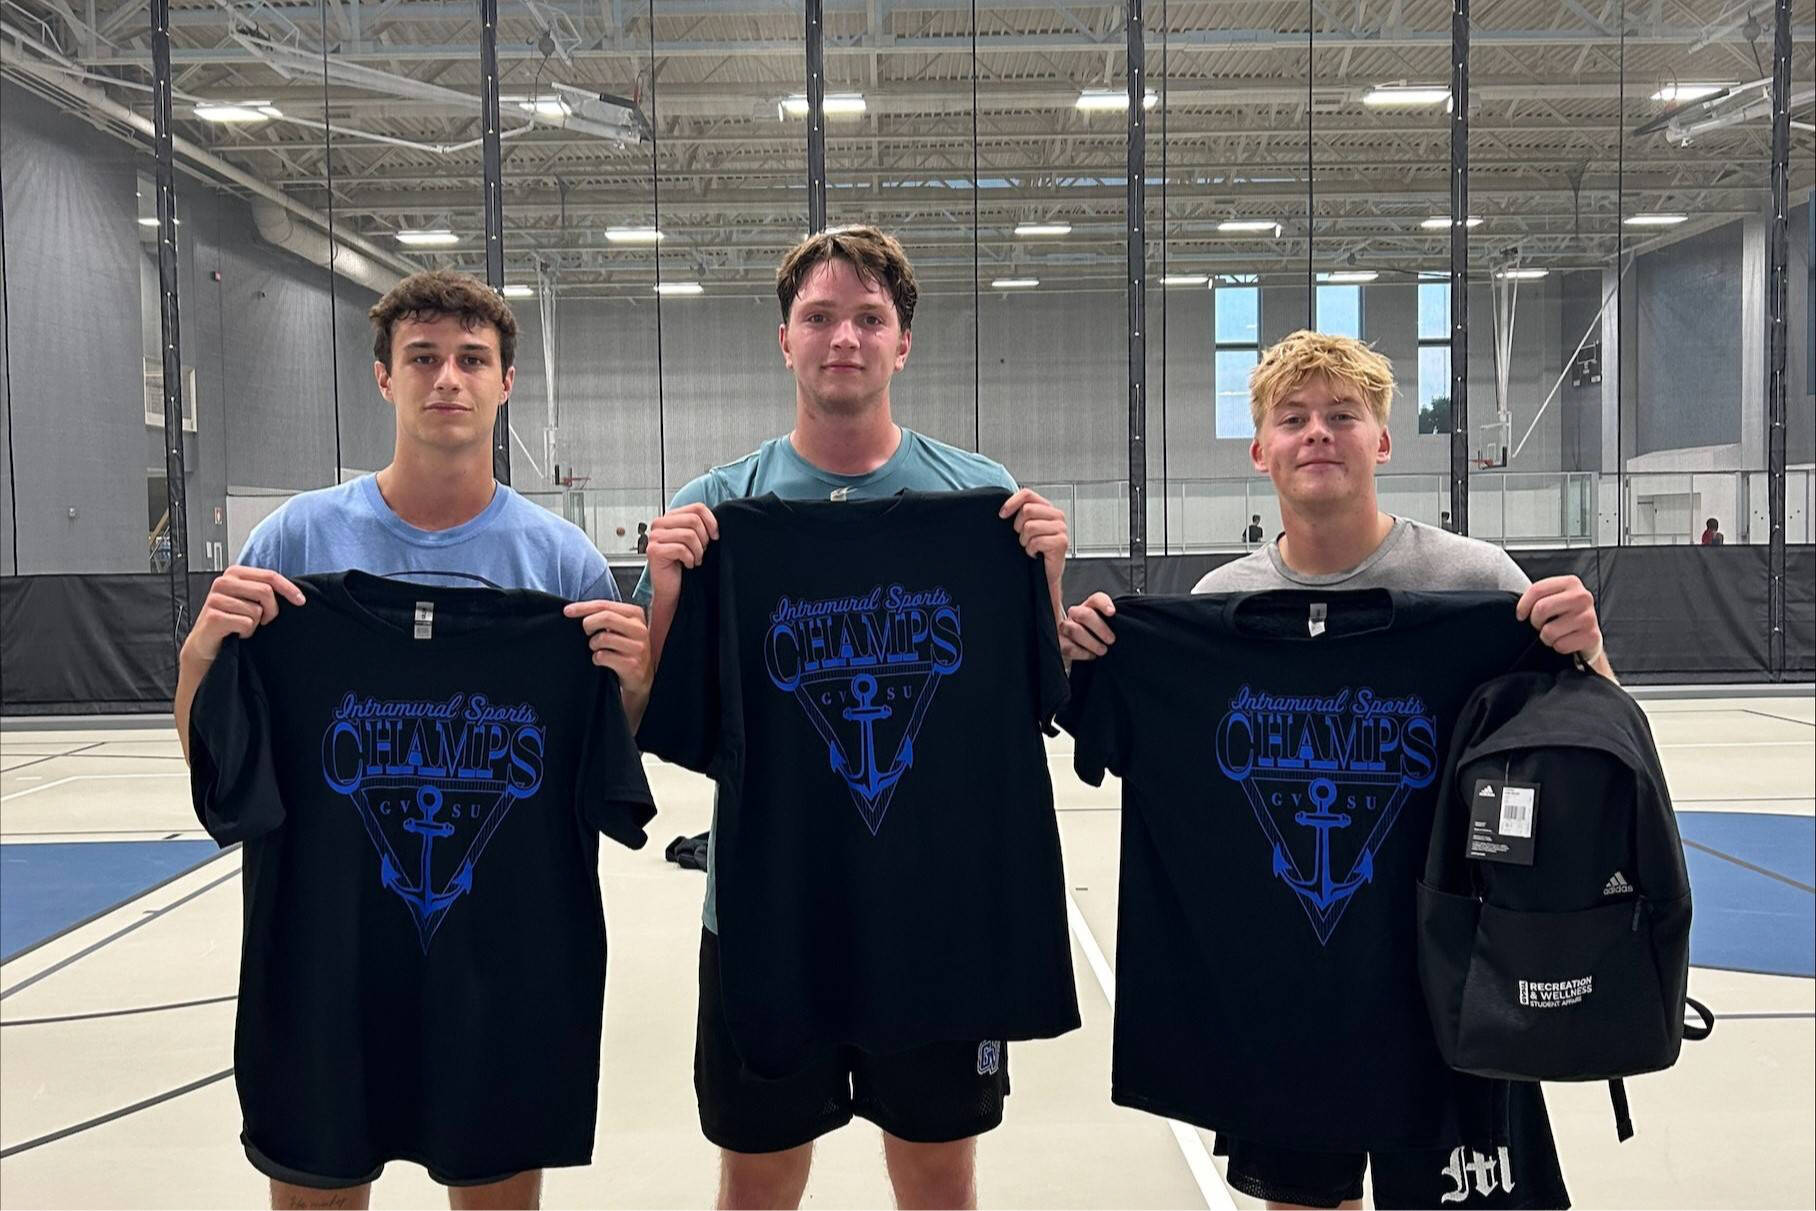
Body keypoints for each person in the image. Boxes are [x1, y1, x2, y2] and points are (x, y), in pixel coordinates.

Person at [1060, 330, 1609, 1211]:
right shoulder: (1217, 612)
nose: (1318, 432)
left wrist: (1589, 650)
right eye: (1294, 418)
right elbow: (1136, 757)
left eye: (1342, 415)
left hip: (1447, 981)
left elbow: (1595, 746)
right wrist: (1093, 656)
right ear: (1261, 450)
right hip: (1287, 989)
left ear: (1382, 440)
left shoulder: (1477, 586)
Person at [173, 270, 654, 1210]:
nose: (449, 379)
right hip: (326, 949)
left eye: (472, 360)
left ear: (506, 381)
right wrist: (201, 653)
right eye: (423, 358)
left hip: (503, 959)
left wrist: (630, 689)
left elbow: (603, 777)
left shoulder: (565, 567)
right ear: (386, 379)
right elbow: (213, 761)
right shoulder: (294, 542)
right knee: (318, 1182)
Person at [636, 226, 1069, 1211]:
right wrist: (668, 588)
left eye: (868, 318)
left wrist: (1042, 579)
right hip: (764, 906)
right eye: (819, 317)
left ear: (901, 343)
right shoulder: (716, 509)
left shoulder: (983, 501)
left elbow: (1037, 701)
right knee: (758, 1173)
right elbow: (661, 717)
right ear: (783, 340)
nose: (844, 337)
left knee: (936, 1170)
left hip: (936, 909)